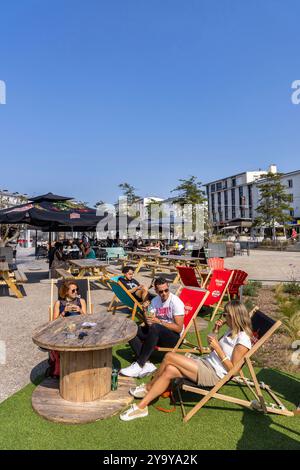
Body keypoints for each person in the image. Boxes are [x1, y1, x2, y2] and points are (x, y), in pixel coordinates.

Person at [120, 300, 253, 421]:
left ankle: (149, 387)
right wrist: (215, 331)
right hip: (205, 363)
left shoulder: (243, 340)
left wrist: (218, 349)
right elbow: (214, 351)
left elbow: (234, 371)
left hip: (213, 374)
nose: (224, 318)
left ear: (235, 316)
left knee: (169, 356)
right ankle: (142, 407)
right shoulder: (231, 331)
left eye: (226, 315)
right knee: (170, 370)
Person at [120, 277, 185, 379]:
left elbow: (178, 328)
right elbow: (149, 323)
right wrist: (145, 310)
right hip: (156, 333)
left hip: (174, 338)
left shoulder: (176, 302)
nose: (164, 293)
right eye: (161, 291)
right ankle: (147, 365)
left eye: (166, 290)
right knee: (131, 329)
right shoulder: (155, 301)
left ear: (168, 288)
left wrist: (159, 322)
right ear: (156, 291)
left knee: (156, 327)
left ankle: (140, 364)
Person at [47, 281, 87, 378]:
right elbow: (53, 323)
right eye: (73, 290)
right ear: (66, 292)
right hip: (63, 331)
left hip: (78, 329)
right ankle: (58, 367)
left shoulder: (81, 301)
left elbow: (87, 319)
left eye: (77, 290)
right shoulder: (59, 303)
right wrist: (64, 312)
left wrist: (80, 311)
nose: (76, 292)